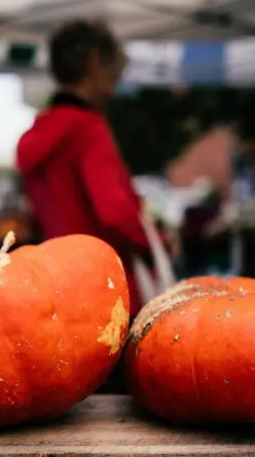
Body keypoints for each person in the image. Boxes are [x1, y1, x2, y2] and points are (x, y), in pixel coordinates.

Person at [16, 20, 153, 315]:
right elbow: (115, 210)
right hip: (104, 287)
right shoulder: (88, 129)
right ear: (93, 62)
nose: (113, 89)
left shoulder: (37, 134)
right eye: (114, 75)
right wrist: (154, 244)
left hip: (51, 285)